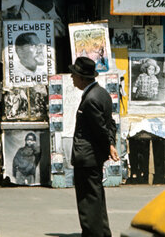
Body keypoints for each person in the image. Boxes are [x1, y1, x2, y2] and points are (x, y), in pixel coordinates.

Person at [70, 57, 119, 237]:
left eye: (74, 75)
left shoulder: (90, 99)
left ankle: (93, 233)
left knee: (87, 198)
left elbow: (100, 128)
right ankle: (102, 232)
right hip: (93, 154)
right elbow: (110, 124)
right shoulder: (102, 93)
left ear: (82, 78)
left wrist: (108, 145)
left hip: (87, 156)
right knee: (96, 196)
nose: (71, 78)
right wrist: (111, 144)